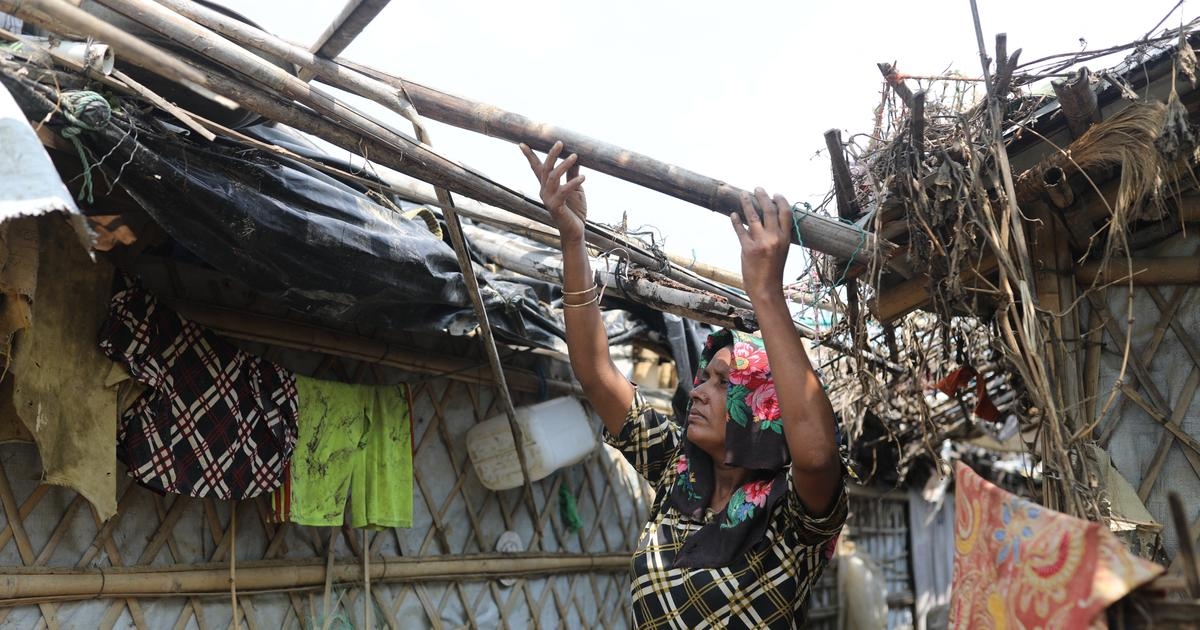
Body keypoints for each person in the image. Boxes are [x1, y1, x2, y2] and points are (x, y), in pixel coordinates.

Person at [521, 141, 846, 629]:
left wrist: (766, 292)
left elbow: (818, 454)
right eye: (703, 379)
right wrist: (574, 240)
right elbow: (594, 370)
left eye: (722, 382)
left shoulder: (793, 514)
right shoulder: (679, 475)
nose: (697, 392)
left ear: (763, 408)